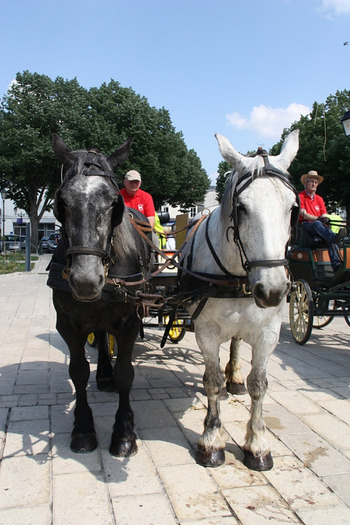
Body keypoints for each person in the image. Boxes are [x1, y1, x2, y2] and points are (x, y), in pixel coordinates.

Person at [299, 170, 347, 272]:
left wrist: (325, 219)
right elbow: (303, 214)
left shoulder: (319, 199)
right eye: (311, 182)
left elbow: (323, 214)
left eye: (316, 183)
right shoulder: (301, 196)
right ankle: (334, 237)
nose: (314, 184)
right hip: (306, 225)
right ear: (305, 183)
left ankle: (337, 266)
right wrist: (318, 219)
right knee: (318, 225)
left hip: (318, 226)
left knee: (330, 239)